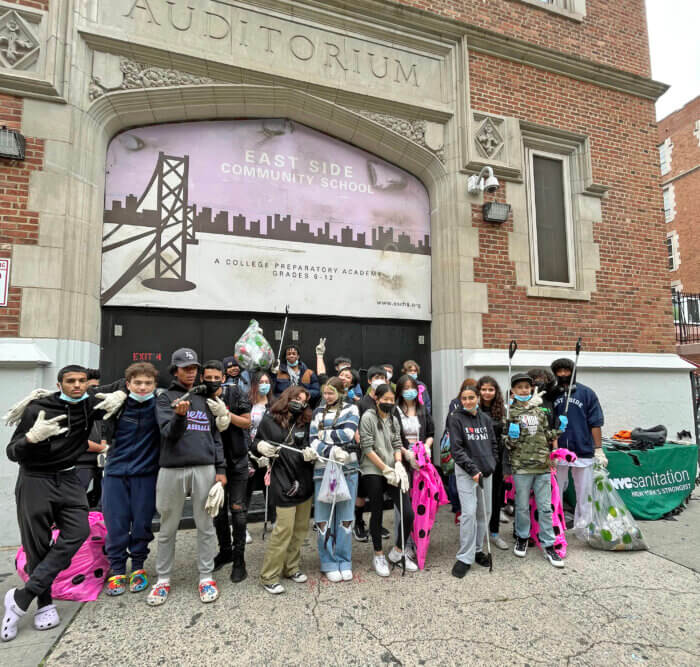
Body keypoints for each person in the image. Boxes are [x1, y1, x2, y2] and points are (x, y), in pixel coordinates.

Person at [2, 366, 127, 641]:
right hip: (36, 479)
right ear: (60, 384)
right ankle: (44, 604)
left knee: (78, 532)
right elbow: (12, 451)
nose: (77, 386)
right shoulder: (38, 408)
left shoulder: (89, 405)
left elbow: (134, 384)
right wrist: (32, 438)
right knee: (38, 544)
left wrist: (122, 396)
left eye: (82, 381)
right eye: (71, 381)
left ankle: (22, 596)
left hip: (69, 478)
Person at [147, 348, 228, 607]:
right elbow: (168, 433)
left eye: (194, 368)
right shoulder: (164, 398)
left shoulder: (206, 397)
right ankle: (163, 579)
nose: (190, 372)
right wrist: (180, 416)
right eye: (185, 368)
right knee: (168, 527)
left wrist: (221, 469)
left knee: (205, 525)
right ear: (175, 370)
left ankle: (205, 577)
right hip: (172, 468)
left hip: (204, 467)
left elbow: (215, 436)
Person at [102, 362, 160, 597]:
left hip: (146, 473)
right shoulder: (117, 405)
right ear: (128, 384)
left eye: (148, 383)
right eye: (138, 383)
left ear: (155, 386)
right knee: (115, 523)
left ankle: (137, 567)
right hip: (116, 471)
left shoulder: (159, 405)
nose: (143, 387)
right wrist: (117, 393)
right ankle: (117, 568)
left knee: (141, 523)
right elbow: (87, 395)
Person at [253, 386, 314, 595]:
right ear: (287, 397)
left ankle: (292, 567)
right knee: (283, 530)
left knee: (300, 530)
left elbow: (310, 442)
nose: (299, 402)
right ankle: (269, 576)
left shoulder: (305, 422)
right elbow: (254, 443)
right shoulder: (270, 419)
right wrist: (261, 446)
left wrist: (311, 452)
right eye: (296, 398)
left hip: (304, 479)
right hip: (282, 479)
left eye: (303, 401)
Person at [505, 373, 563, 568]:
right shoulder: (509, 412)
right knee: (521, 506)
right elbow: (507, 442)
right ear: (513, 390)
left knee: (545, 507)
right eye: (519, 387)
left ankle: (549, 545)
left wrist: (560, 429)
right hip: (521, 467)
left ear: (531, 390)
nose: (524, 390)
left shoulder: (539, 412)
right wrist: (511, 437)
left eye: (527, 387)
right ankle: (522, 537)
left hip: (543, 465)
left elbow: (546, 435)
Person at [359, 384, 416, 576]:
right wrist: (384, 469)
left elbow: (397, 443)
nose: (389, 403)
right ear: (376, 398)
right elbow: (367, 448)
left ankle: (398, 552)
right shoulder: (368, 417)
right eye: (386, 400)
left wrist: (399, 464)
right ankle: (378, 554)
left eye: (392, 400)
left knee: (408, 512)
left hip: (393, 467)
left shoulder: (393, 419)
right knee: (377, 511)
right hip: (373, 469)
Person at [203, 361, 252, 583]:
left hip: (238, 459)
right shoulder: (200, 396)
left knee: (238, 511)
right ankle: (225, 551)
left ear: (223, 378)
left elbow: (247, 423)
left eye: (216, 377)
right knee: (219, 511)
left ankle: (240, 560)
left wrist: (226, 414)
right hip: (213, 461)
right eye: (208, 377)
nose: (212, 381)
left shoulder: (236, 392)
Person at [309, 377, 360, 582]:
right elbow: (312, 441)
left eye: (331, 393)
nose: (327, 396)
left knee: (346, 517)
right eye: (325, 393)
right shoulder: (317, 412)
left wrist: (324, 436)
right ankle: (328, 561)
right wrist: (331, 448)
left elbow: (348, 434)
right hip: (322, 470)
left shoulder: (352, 409)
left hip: (348, 468)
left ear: (340, 392)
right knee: (323, 518)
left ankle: (344, 559)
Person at [447, 383, 498, 578]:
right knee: (468, 513)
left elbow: (493, 444)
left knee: (484, 512)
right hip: (467, 472)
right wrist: (473, 470)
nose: (468, 401)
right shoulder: (456, 419)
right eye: (464, 398)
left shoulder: (485, 419)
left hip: (486, 472)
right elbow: (457, 449)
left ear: (477, 398)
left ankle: (477, 550)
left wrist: (492, 465)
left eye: (471, 397)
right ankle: (464, 557)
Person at [550, 358, 605, 535]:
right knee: (555, 491)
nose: (564, 374)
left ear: (574, 371)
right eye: (559, 371)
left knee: (584, 492)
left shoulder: (587, 393)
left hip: (582, 449)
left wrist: (598, 448)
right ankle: (555, 525)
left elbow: (595, 422)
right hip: (559, 451)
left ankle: (584, 527)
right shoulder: (552, 394)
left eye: (567, 371)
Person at [395, 373, 435, 559]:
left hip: (421, 463)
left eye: (412, 388)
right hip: (403, 460)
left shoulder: (423, 410)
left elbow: (431, 433)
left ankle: (418, 540)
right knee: (404, 505)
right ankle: (402, 543)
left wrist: (426, 447)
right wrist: (406, 453)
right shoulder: (395, 410)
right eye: (405, 388)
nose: (409, 391)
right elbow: (393, 437)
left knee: (420, 503)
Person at [354, 365, 390, 543]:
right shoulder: (361, 403)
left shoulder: (388, 402)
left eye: (382, 377)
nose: (379, 380)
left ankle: (377, 523)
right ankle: (358, 522)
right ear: (368, 381)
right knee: (361, 493)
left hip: (384, 456)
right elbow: (356, 429)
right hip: (366, 456)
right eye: (375, 377)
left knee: (379, 493)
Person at [476, 376, 508, 551]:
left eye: (491, 389)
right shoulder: (473, 409)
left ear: (496, 392)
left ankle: (494, 532)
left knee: (495, 498)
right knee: (477, 499)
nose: (487, 393)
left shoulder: (502, 411)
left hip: (496, 461)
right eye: (483, 389)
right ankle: (477, 533)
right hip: (477, 460)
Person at [442, 378, 478, 520]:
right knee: (454, 479)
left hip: (473, 447)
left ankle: (467, 510)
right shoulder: (455, 403)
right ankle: (457, 508)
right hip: (455, 445)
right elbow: (451, 424)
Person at [246, 371, 275, 529]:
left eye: (267, 381)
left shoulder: (274, 404)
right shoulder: (247, 403)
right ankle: (242, 526)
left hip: (267, 450)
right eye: (261, 382)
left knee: (270, 487)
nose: (264, 384)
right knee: (246, 489)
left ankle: (274, 520)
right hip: (249, 451)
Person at [75, 369, 107, 508]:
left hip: (101, 465)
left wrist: (105, 447)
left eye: (97, 387)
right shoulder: (74, 409)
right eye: (92, 388)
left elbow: (105, 430)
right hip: (81, 463)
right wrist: (103, 448)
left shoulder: (100, 407)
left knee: (102, 505)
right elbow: (76, 439)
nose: (95, 391)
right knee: (75, 502)